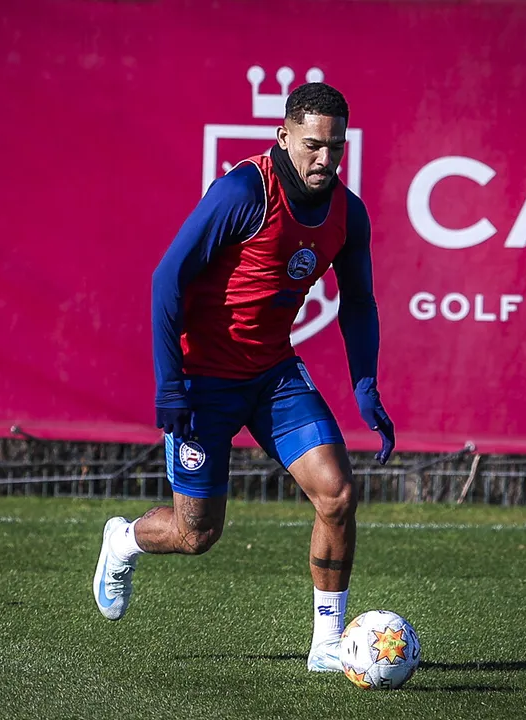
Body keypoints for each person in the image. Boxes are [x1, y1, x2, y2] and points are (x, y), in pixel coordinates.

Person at [93, 81, 395, 673]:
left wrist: (366, 386)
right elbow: (166, 280)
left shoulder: (347, 211)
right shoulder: (242, 191)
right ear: (284, 136)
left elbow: (358, 301)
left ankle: (329, 645)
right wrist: (169, 382)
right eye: (312, 146)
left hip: (273, 374)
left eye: (335, 148)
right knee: (196, 534)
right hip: (203, 378)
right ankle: (123, 540)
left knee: (337, 494)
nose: (324, 159)